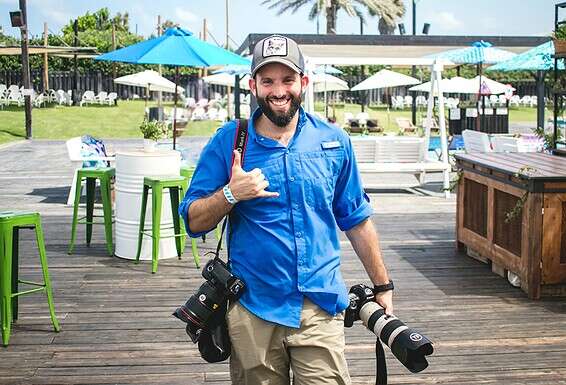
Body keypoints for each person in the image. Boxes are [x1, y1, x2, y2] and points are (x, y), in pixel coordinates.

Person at [179, 34, 393, 385]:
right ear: (253, 86)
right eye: (268, 81)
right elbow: (192, 220)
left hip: (319, 307)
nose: (278, 91)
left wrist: (382, 285)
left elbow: (356, 219)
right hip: (253, 309)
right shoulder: (231, 141)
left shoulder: (334, 142)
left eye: (288, 80)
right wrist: (230, 195)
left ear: (303, 82)